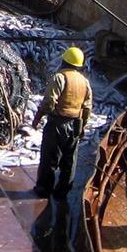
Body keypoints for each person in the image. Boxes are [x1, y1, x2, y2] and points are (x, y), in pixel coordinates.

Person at [32, 46, 93, 199]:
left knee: (50, 158)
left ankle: (44, 189)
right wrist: (83, 125)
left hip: (57, 124)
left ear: (65, 61)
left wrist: (39, 116)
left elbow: (49, 101)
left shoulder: (60, 77)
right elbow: (87, 107)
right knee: (69, 161)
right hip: (75, 125)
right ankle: (62, 192)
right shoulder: (84, 82)